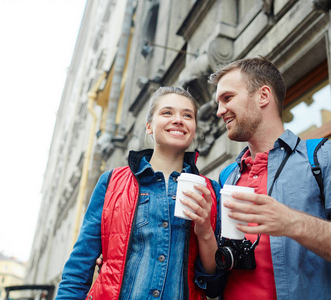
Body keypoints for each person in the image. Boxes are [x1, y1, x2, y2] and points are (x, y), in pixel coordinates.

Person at [207, 56, 331, 299]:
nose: (220, 111)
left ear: (263, 96)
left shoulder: (326, 156)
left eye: (227, 98)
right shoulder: (227, 175)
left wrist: (292, 222)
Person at [56, 87, 221, 300]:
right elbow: (80, 265)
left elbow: (214, 281)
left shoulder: (210, 192)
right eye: (167, 113)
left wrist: (205, 230)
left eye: (187, 115)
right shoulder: (111, 183)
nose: (179, 120)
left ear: (194, 129)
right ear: (149, 127)